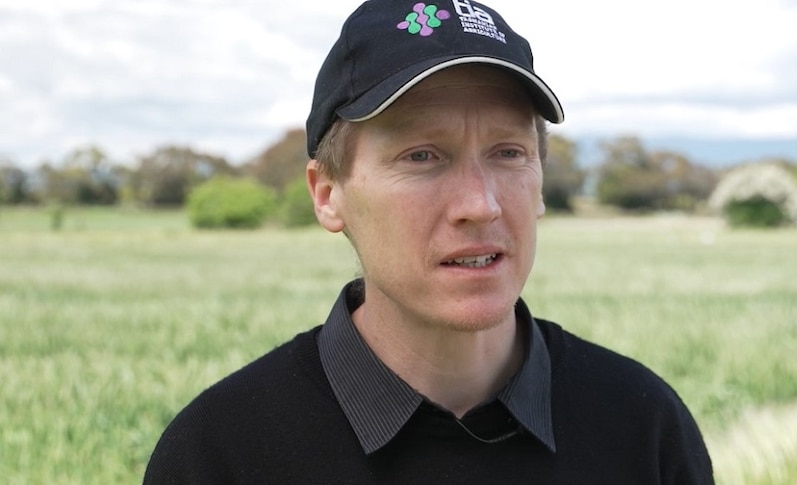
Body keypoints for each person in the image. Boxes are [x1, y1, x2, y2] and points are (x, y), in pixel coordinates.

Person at [144, 0, 714, 483]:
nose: (481, 204)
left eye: (509, 153)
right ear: (327, 194)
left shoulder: (642, 427)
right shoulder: (221, 454)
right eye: (422, 156)